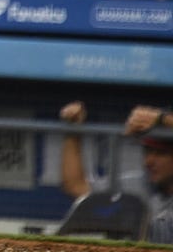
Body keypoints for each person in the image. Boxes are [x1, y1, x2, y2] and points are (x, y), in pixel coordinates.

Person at [59, 101, 173, 243]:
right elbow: (76, 186)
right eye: (148, 152)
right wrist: (72, 132)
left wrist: (164, 119)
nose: (148, 162)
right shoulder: (140, 185)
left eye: (161, 153)